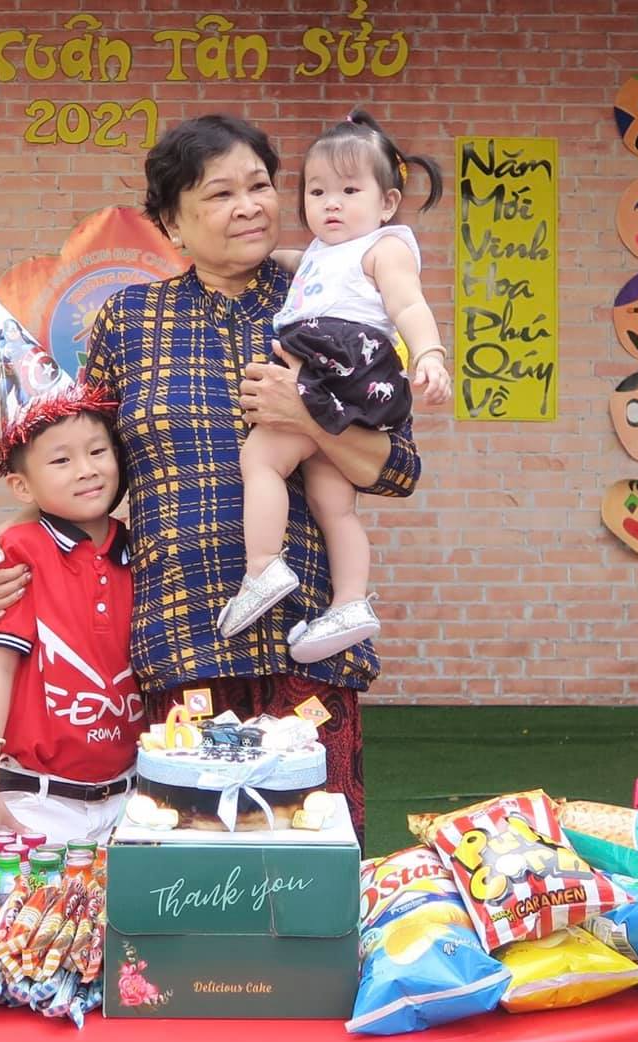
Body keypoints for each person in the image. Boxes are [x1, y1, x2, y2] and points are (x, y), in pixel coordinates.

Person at [0, 114, 422, 844]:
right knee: (193, 872)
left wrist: (307, 417)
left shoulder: (332, 300)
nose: (249, 207)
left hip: (309, 645)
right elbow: (87, 470)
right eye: (220, 194)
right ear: (172, 222)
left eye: (259, 186)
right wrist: (9, 541)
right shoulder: (129, 322)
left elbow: (397, 468)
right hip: (183, 640)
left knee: (315, 864)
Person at [217, 110, 450, 661]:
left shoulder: (386, 248)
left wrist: (430, 354)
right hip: (349, 377)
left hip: (339, 363)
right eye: (317, 191)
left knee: (262, 459)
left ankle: (263, 567)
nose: (331, 204)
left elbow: (409, 305)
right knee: (333, 501)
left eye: (349, 190)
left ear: (387, 202)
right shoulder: (323, 253)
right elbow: (300, 263)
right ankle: (349, 602)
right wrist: (259, 257)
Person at [0, 386, 143, 843]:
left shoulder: (140, 547)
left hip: (133, 798)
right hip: (40, 801)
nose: (87, 470)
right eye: (61, 460)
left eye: (98, 452)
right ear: (22, 487)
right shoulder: (19, 552)